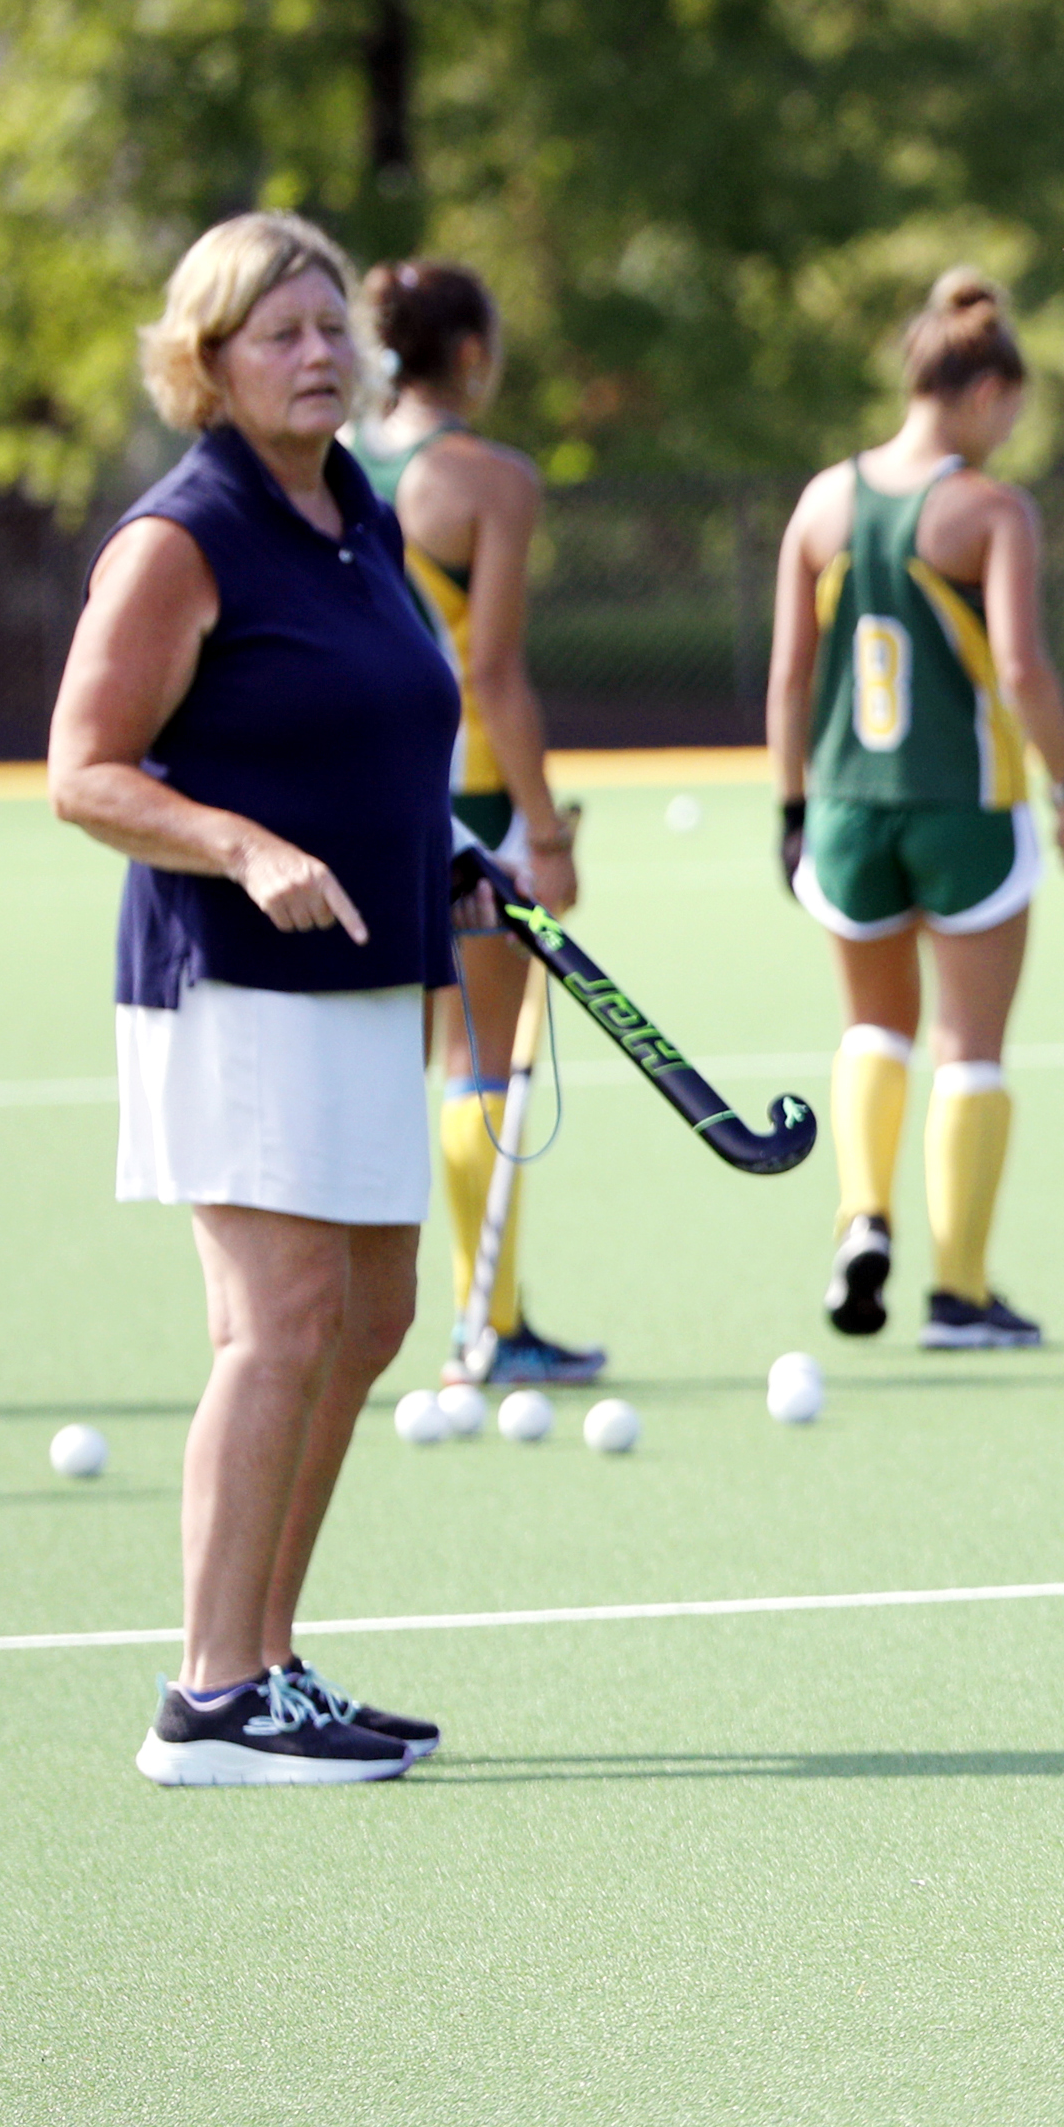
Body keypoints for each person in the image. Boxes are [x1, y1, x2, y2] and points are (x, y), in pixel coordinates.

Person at [48, 211, 457, 1783]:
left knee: (367, 1318)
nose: (317, 353)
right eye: (278, 332)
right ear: (204, 362)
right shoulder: (182, 533)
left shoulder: (354, 508)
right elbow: (85, 773)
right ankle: (208, 1695)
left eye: (330, 325)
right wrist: (242, 845)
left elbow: (372, 727)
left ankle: (270, 1663)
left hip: (365, 966)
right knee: (280, 1323)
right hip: (236, 981)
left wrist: (454, 855)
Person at [765, 269, 1064, 1347]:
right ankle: (959, 1289)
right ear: (988, 390)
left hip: (850, 809)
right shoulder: (989, 508)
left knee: (873, 1024)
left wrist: (789, 806)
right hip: (966, 807)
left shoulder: (821, 500)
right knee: (972, 1042)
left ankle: (863, 1215)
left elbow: (787, 677)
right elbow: (1022, 670)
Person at [349, 256, 604, 1385]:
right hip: (469, 797)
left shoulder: (327, 460)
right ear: (469, 354)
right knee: (478, 1058)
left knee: (374, 1059)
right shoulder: (490, 480)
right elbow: (492, 670)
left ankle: (350, 1319)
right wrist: (544, 833)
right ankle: (486, 1324)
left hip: (349, 795)